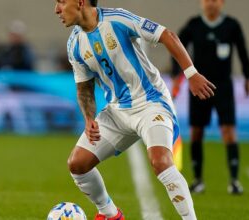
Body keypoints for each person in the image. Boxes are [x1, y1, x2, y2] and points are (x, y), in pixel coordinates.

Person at [55, 0, 216, 219]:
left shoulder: (117, 19)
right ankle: (110, 214)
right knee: (77, 164)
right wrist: (88, 118)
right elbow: (84, 88)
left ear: (81, 2)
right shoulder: (74, 44)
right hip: (117, 112)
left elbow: (166, 35)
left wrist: (191, 74)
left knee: (161, 162)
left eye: (61, 2)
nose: (57, 9)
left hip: (150, 103)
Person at [171, 0, 249, 194]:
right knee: (197, 131)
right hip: (199, 86)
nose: (211, 4)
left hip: (223, 86)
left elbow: (242, 51)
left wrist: (248, 76)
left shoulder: (232, 25)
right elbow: (176, 46)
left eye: (215, 0)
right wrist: (177, 75)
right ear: (201, 3)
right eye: (207, 0)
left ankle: (234, 181)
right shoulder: (194, 25)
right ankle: (198, 180)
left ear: (222, 3)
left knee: (229, 131)